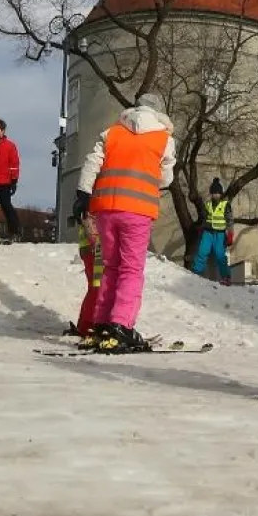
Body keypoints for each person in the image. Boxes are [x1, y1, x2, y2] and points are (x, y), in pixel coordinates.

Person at [73, 92, 176, 353]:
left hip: (106, 208)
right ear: (158, 112)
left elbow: (92, 161)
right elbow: (166, 179)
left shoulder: (113, 132)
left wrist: (83, 193)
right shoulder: (164, 138)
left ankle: (100, 324)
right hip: (137, 211)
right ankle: (121, 325)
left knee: (110, 267)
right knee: (131, 269)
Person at [192, 178, 235, 286]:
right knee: (202, 252)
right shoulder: (208, 205)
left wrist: (230, 234)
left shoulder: (225, 205)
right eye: (213, 193)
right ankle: (195, 273)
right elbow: (205, 218)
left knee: (220, 255)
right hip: (208, 233)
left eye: (217, 193)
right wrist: (201, 228)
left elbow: (230, 221)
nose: (215, 195)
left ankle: (226, 277)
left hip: (220, 234)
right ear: (211, 194)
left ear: (220, 194)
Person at [75, 213, 104, 337]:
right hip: (95, 247)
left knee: (95, 287)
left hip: (91, 246)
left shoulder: (85, 203)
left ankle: (84, 324)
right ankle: (88, 325)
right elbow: (89, 220)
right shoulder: (89, 203)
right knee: (98, 287)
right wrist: (95, 242)